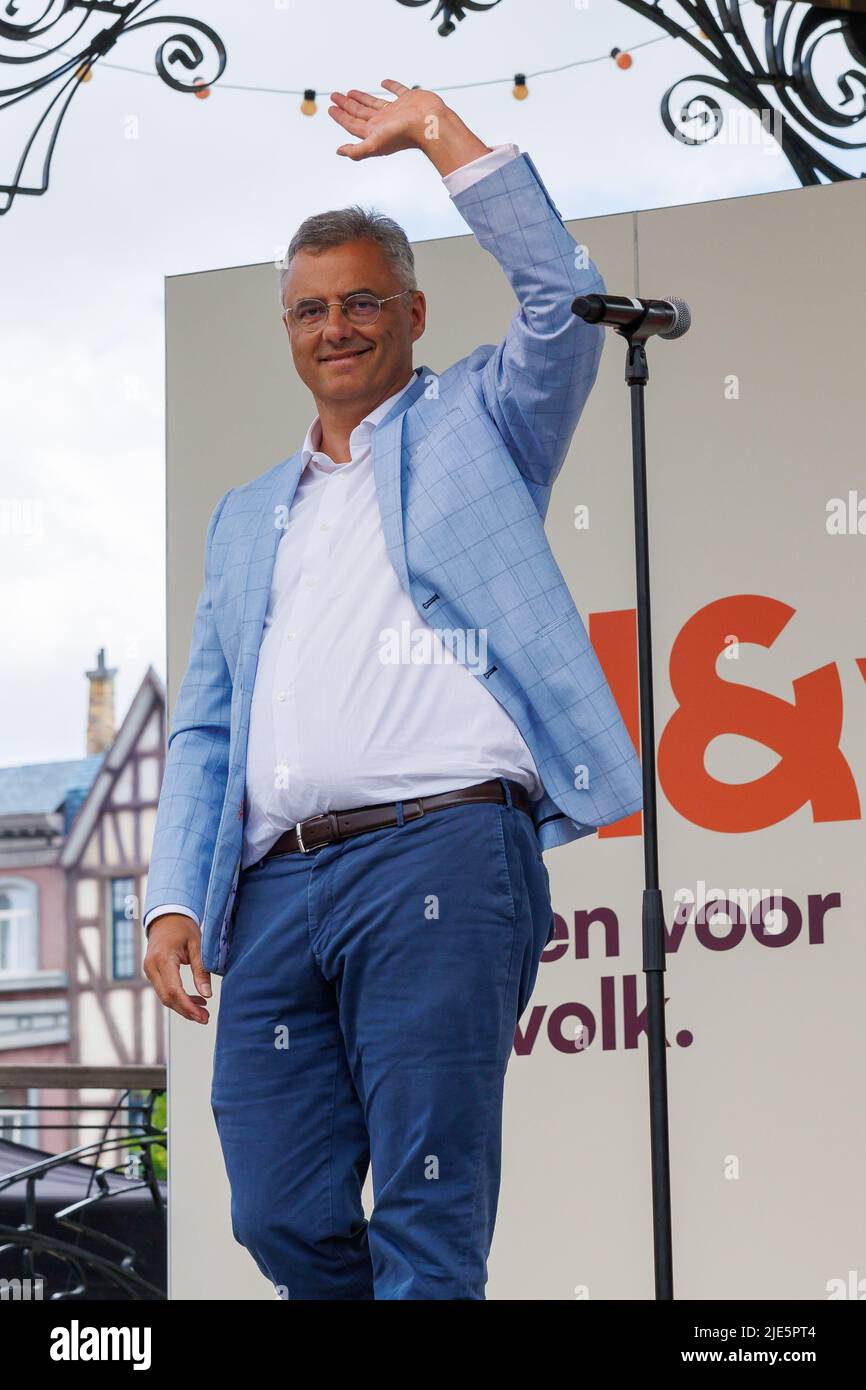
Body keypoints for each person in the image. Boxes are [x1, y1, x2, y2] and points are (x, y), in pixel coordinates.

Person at [143, 79, 642, 1300]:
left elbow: (561, 298)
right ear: (288, 331)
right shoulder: (246, 513)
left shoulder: (481, 420)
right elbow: (207, 721)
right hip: (272, 889)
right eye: (311, 309)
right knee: (273, 1208)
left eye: (363, 300)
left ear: (412, 311)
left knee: (428, 1203)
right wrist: (171, 901)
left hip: (443, 852)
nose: (337, 326)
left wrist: (439, 138)